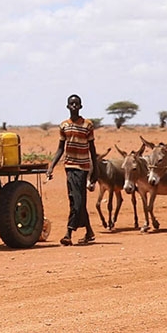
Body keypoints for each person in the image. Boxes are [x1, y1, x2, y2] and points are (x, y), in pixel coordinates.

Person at [46, 94, 99, 246]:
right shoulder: (64, 126)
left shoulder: (87, 125)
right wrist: (51, 167)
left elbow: (92, 148)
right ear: (68, 107)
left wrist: (95, 170)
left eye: (77, 104)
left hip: (83, 168)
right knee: (77, 201)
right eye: (72, 104)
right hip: (69, 167)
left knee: (79, 202)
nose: (74, 106)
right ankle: (82, 232)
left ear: (81, 106)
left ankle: (72, 232)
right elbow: (60, 149)